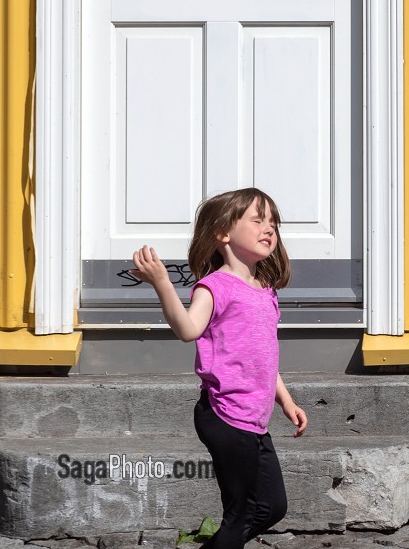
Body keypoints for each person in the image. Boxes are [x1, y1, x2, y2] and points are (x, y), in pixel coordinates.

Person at [131, 188, 307, 549]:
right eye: (257, 220)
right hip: (225, 415)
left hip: (253, 419)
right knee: (241, 513)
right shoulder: (214, 287)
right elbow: (188, 329)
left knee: (272, 507)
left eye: (273, 222)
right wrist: (163, 283)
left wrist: (285, 401)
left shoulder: (266, 291)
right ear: (222, 234)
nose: (269, 229)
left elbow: (263, 358)